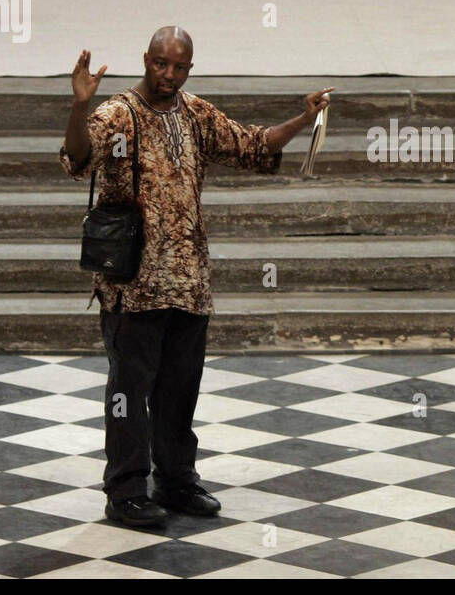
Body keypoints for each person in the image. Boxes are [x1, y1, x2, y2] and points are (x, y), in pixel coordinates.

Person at [59, 26, 333, 527]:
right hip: (133, 284)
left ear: (189, 68)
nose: (168, 74)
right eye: (161, 64)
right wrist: (79, 107)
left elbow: (252, 146)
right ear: (146, 60)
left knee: (180, 389)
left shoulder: (194, 113)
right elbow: (77, 158)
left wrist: (304, 117)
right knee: (129, 390)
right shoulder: (118, 114)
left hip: (187, 280)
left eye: (179, 66)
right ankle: (125, 490)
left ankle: (176, 480)